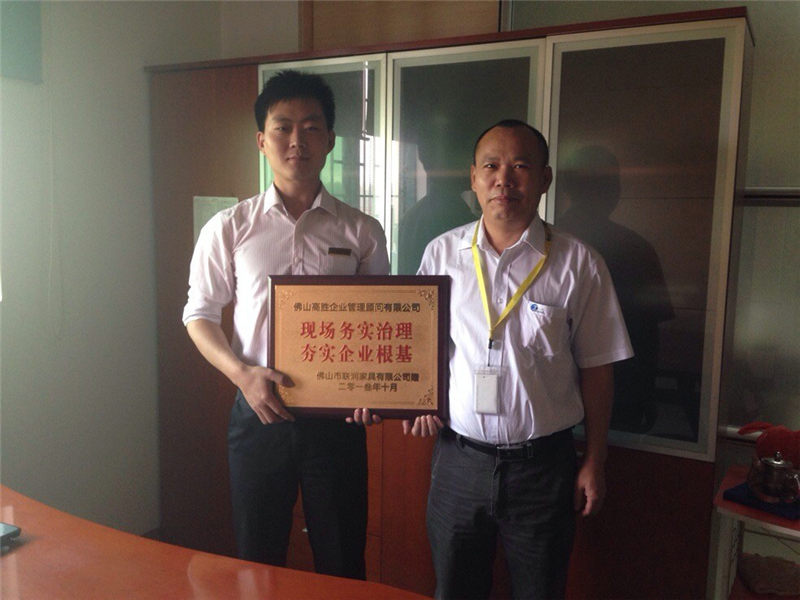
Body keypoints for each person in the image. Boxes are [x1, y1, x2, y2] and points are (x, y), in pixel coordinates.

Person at [403, 120, 633, 599]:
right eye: (491, 166)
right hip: (458, 462)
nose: (503, 179)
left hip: (543, 469)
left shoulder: (579, 263)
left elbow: (598, 369)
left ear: (544, 179)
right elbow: (423, 346)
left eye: (520, 166)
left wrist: (595, 458)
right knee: (455, 590)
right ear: (473, 177)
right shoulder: (441, 254)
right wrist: (417, 397)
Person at [182, 70, 389, 579]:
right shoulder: (230, 227)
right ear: (262, 140)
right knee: (258, 557)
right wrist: (242, 375)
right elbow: (199, 315)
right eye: (283, 128)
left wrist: (370, 391)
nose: (298, 141)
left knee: (342, 560)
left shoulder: (361, 230)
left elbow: (379, 318)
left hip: (338, 422)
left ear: (331, 140)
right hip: (259, 412)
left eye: (312, 127)